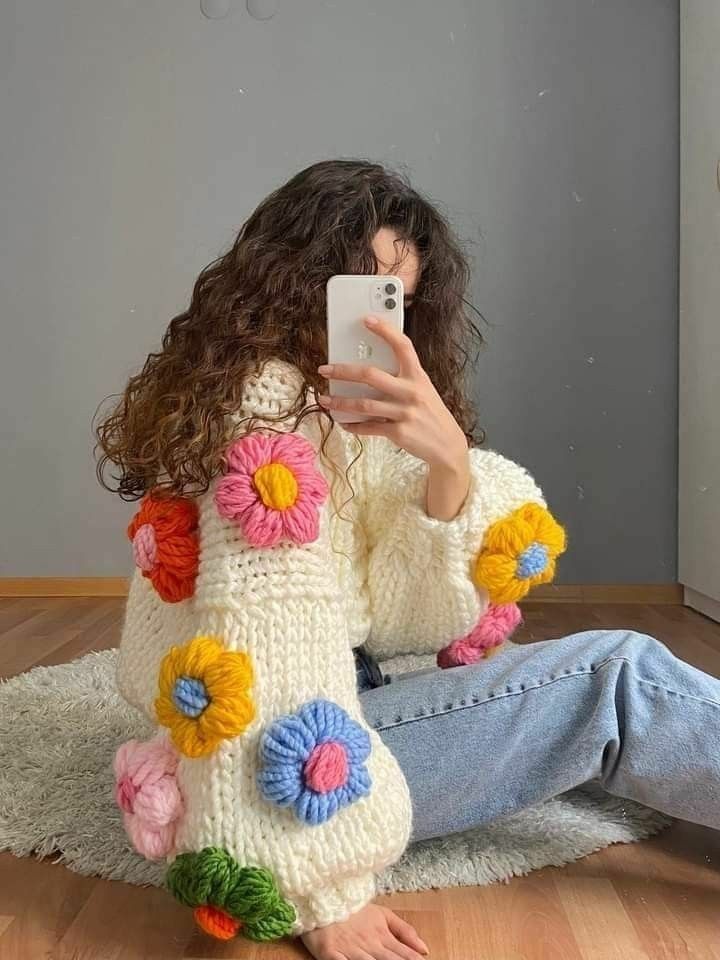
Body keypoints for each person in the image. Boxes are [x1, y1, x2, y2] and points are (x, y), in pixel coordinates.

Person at [96, 160, 720, 960]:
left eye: (396, 298)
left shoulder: (329, 409)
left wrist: (448, 470)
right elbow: (266, 646)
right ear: (292, 281)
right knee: (617, 680)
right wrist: (321, 888)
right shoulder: (262, 412)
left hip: (352, 689)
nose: (376, 320)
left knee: (571, 692)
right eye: (354, 288)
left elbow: (415, 621)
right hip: (281, 764)